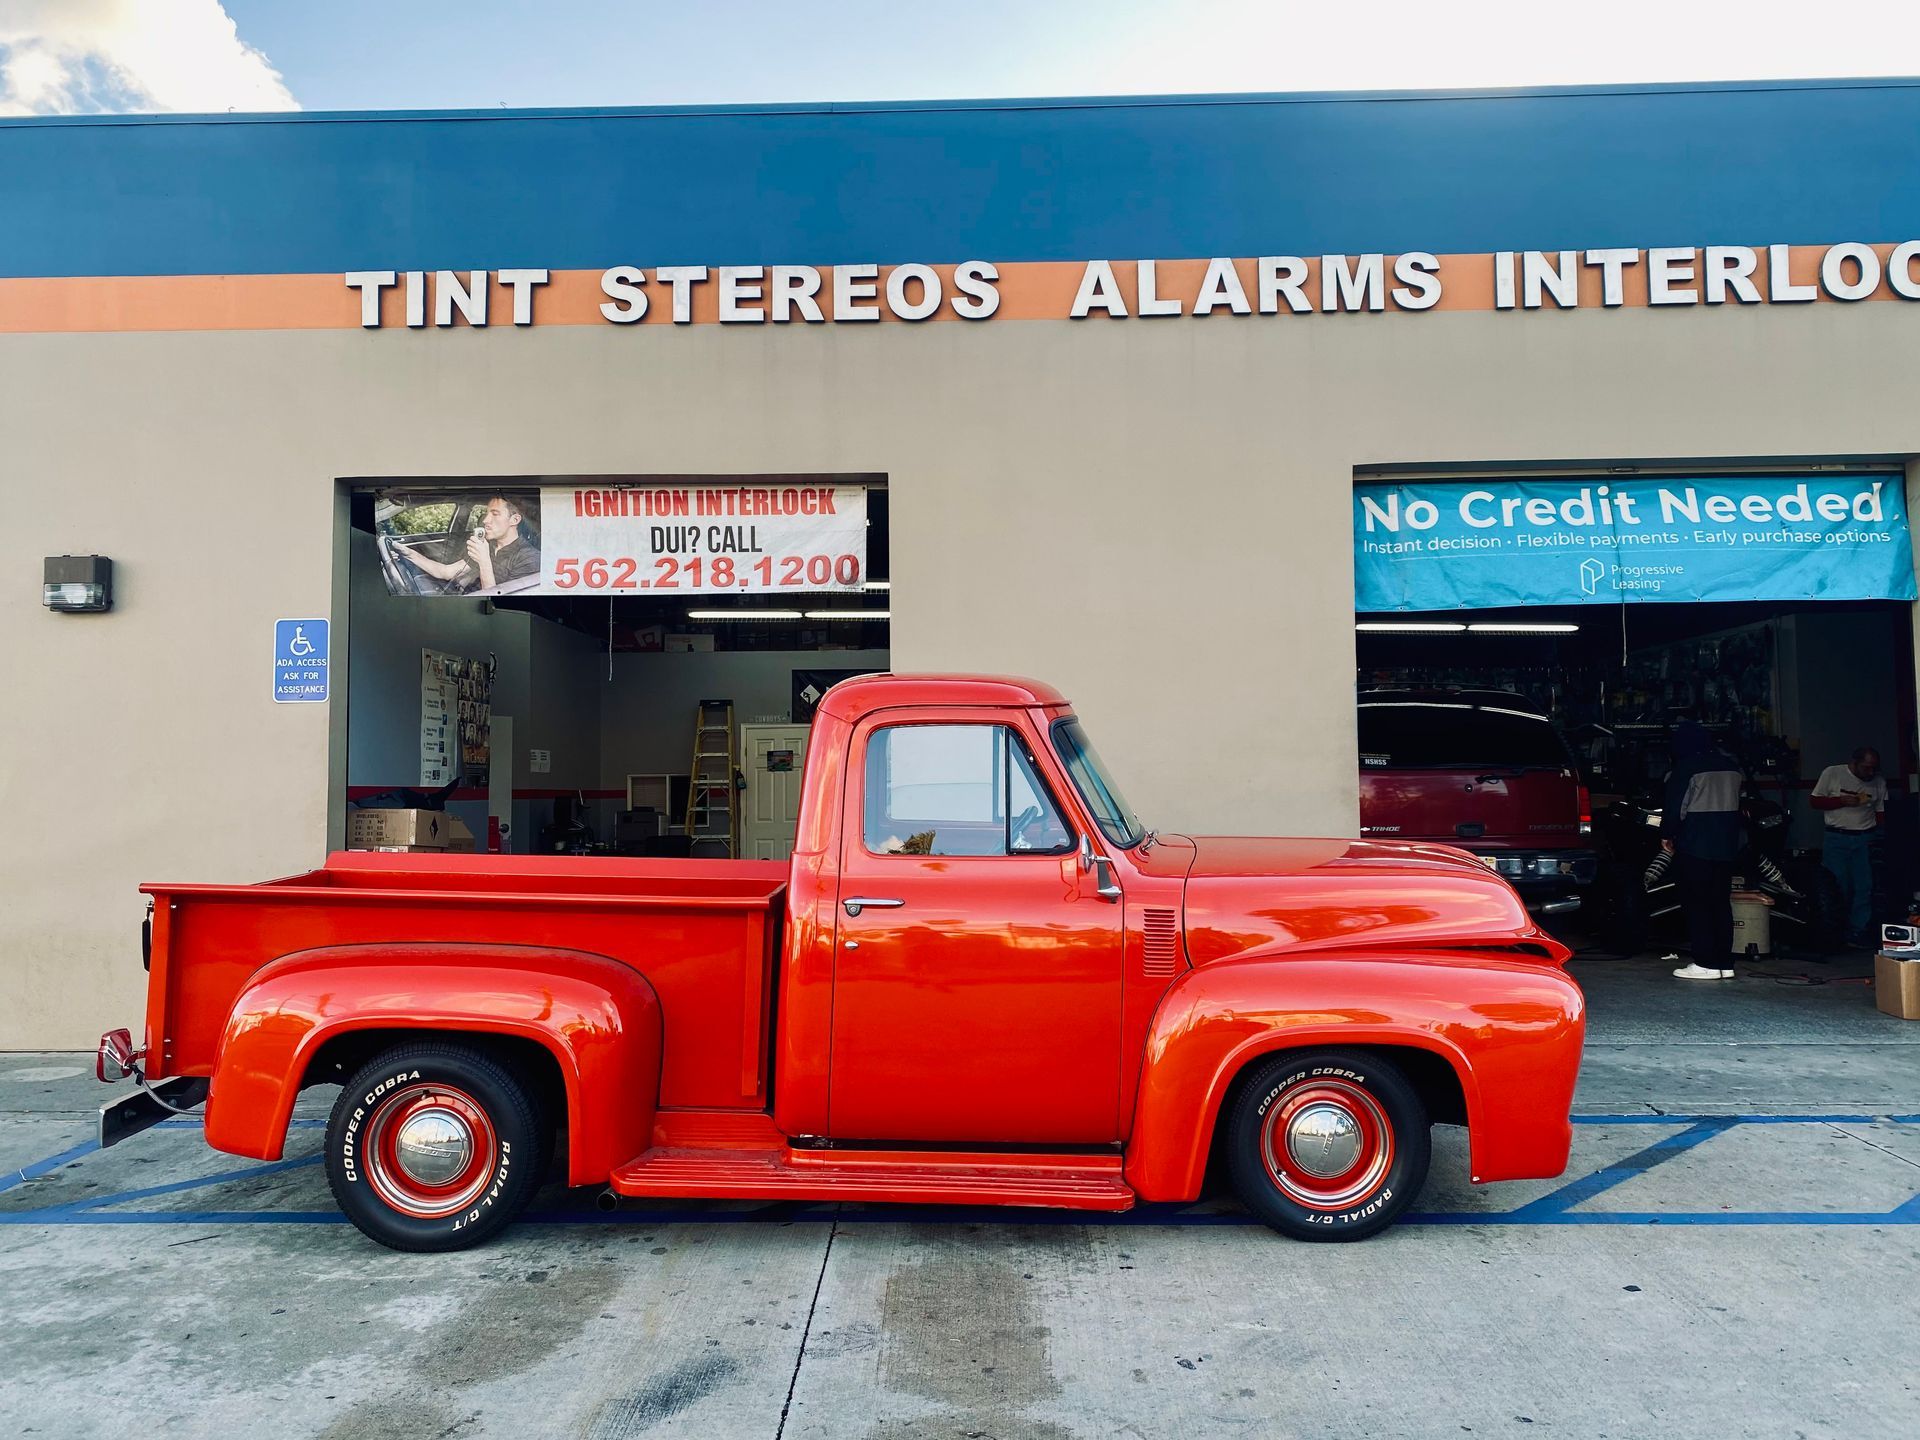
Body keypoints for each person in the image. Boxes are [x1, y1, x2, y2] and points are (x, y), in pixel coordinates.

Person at [1661, 721, 1745, 980]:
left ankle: (1704, 962)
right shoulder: (1733, 767)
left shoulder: (1685, 768)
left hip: (1696, 842)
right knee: (1720, 902)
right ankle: (1725, 964)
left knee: (1697, 903)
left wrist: (1667, 834)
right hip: (1727, 845)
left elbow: (1676, 807)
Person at [1812, 746, 1886, 947]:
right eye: (1866, 768)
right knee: (1836, 885)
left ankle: (1857, 931)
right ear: (1854, 762)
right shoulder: (1832, 773)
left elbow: (1880, 811)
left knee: (1865, 886)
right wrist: (1840, 801)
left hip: (1865, 837)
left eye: (1873, 768)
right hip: (1838, 836)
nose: (1870, 772)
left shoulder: (1878, 782)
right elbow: (1814, 801)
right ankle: (1836, 930)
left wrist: (1880, 836)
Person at [398, 495, 540, 592]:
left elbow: (494, 602)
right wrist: (409, 554)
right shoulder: (488, 546)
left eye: (495, 514)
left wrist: (484, 561)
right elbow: (446, 572)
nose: (485, 520)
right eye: (487, 513)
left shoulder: (529, 558)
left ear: (514, 520)